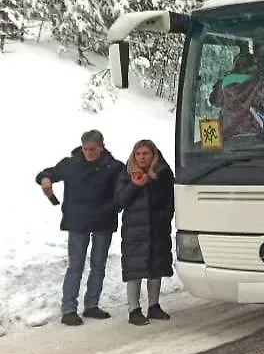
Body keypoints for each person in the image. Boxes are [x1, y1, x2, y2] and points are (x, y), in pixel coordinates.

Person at [36, 130, 124, 325]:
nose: (88, 153)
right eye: (85, 149)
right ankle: (68, 309)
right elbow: (47, 173)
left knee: (98, 265)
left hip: (103, 221)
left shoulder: (115, 167)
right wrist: (45, 179)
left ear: (101, 147)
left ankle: (92, 305)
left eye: (93, 149)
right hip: (77, 221)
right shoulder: (71, 164)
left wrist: (113, 208)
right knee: (75, 265)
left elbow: (122, 192)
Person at [115, 140, 175, 325]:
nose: (141, 157)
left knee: (156, 267)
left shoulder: (163, 173)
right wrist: (135, 185)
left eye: (145, 154)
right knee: (135, 269)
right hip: (135, 230)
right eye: (138, 154)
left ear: (153, 155)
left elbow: (170, 200)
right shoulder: (126, 173)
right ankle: (133, 309)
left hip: (158, 228)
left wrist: (165, 217)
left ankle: (154, 306)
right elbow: (120, 201)